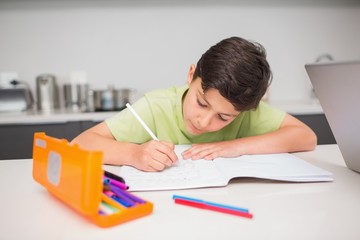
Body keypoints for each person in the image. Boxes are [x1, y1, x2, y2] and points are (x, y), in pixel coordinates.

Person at [71, 36, 317, 172]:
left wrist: (235, 146)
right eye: (201, 102)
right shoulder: (156, 106)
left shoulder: (244, 110)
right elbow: (80, 144)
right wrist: (134, 154)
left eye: (223, 118)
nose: (204, 121)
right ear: (191, 75)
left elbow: (306, 137)